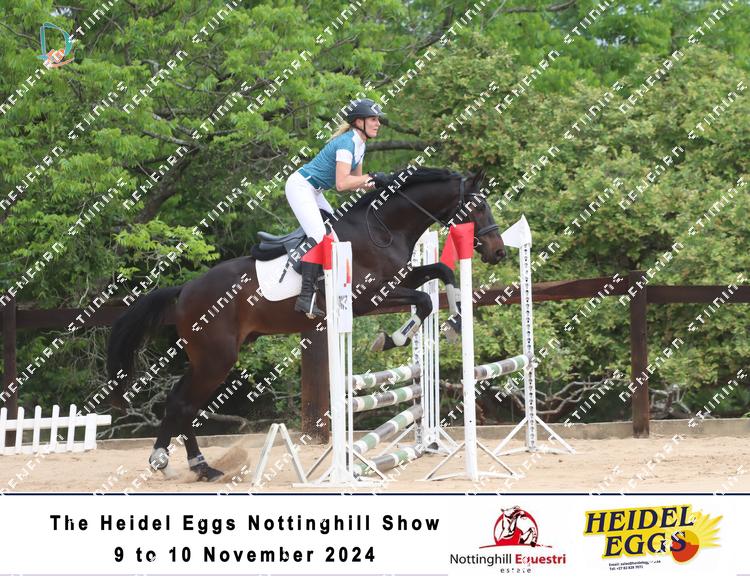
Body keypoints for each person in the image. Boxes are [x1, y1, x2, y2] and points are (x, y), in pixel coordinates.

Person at [285, 98, 386, 318]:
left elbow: (355, 184)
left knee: (336, 232)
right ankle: (305, 297)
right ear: (358, 122)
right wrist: (371, 176)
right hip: (301, 186)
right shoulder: (347, 144)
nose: (378, 123)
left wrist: (377, 183)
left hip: (315, 191)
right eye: (373, 119)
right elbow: (342, 184)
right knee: (319, 235)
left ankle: (324, 282)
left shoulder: (360, 145)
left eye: (378, 119)